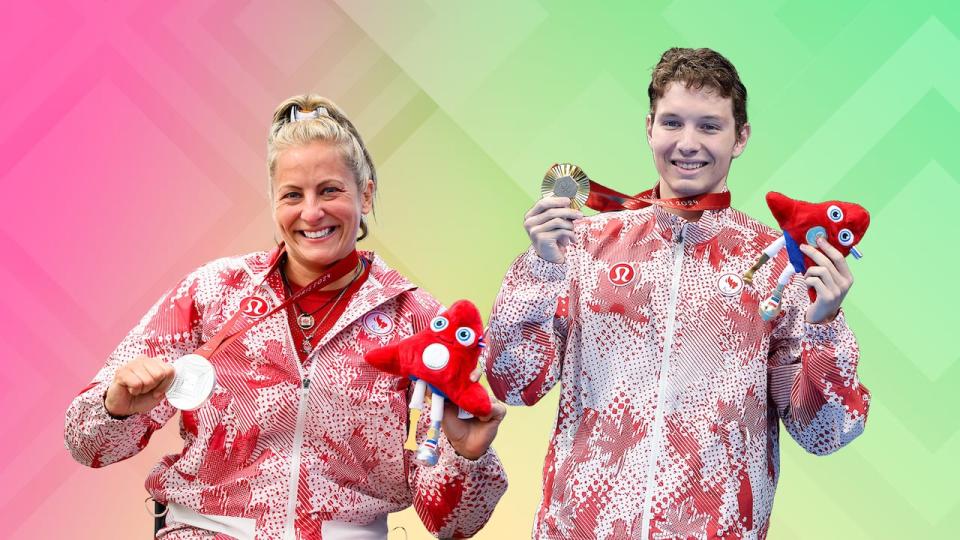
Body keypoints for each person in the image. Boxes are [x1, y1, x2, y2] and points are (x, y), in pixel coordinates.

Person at [65, 94, 508, 539]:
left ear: (366, 194)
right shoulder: (213, 291)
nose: (311, 212)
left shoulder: (414, 317)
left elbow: (456, 525)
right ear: (275, 204)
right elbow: (88, 447)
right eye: (292, 195)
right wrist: (117, 408)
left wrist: (465, 455)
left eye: (330, 190)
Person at [484, 48, 869, 539]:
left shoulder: (777, 268)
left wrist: (826, 325)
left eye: (709, 126)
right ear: (649, 128)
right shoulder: (583, 246)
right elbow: (513, 384)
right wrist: (539, 267)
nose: (688, 143)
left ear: (741, 137)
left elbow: (824, 433)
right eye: (672, 123)